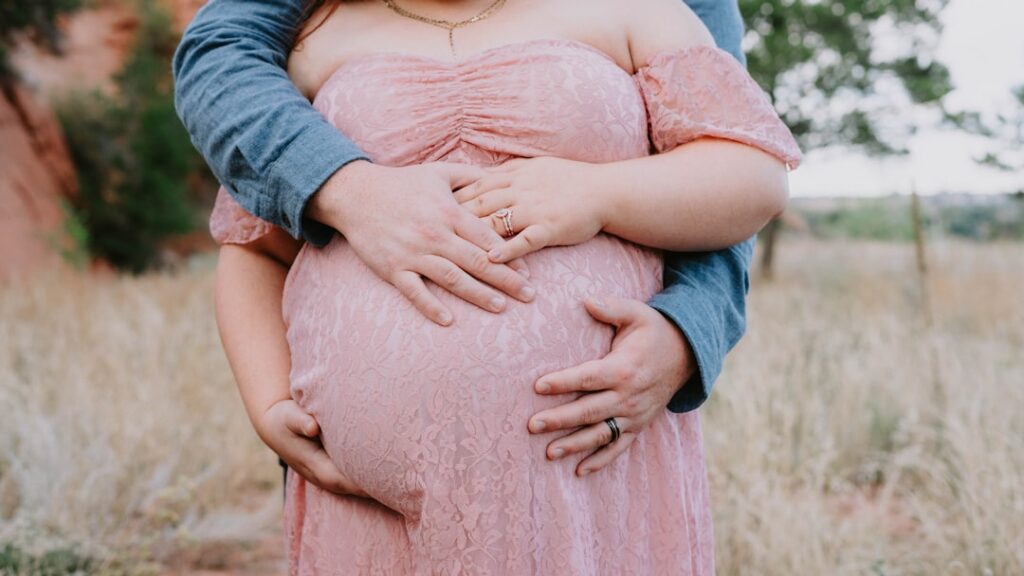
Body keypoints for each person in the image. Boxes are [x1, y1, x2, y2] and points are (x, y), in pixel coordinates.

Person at [175, 0, 801, 572]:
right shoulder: (314, 40)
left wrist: (597, 194)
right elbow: (255, 247)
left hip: (583, 473)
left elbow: (752, 174)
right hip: (366, 505)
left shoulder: (637, 11)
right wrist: (268, 400)